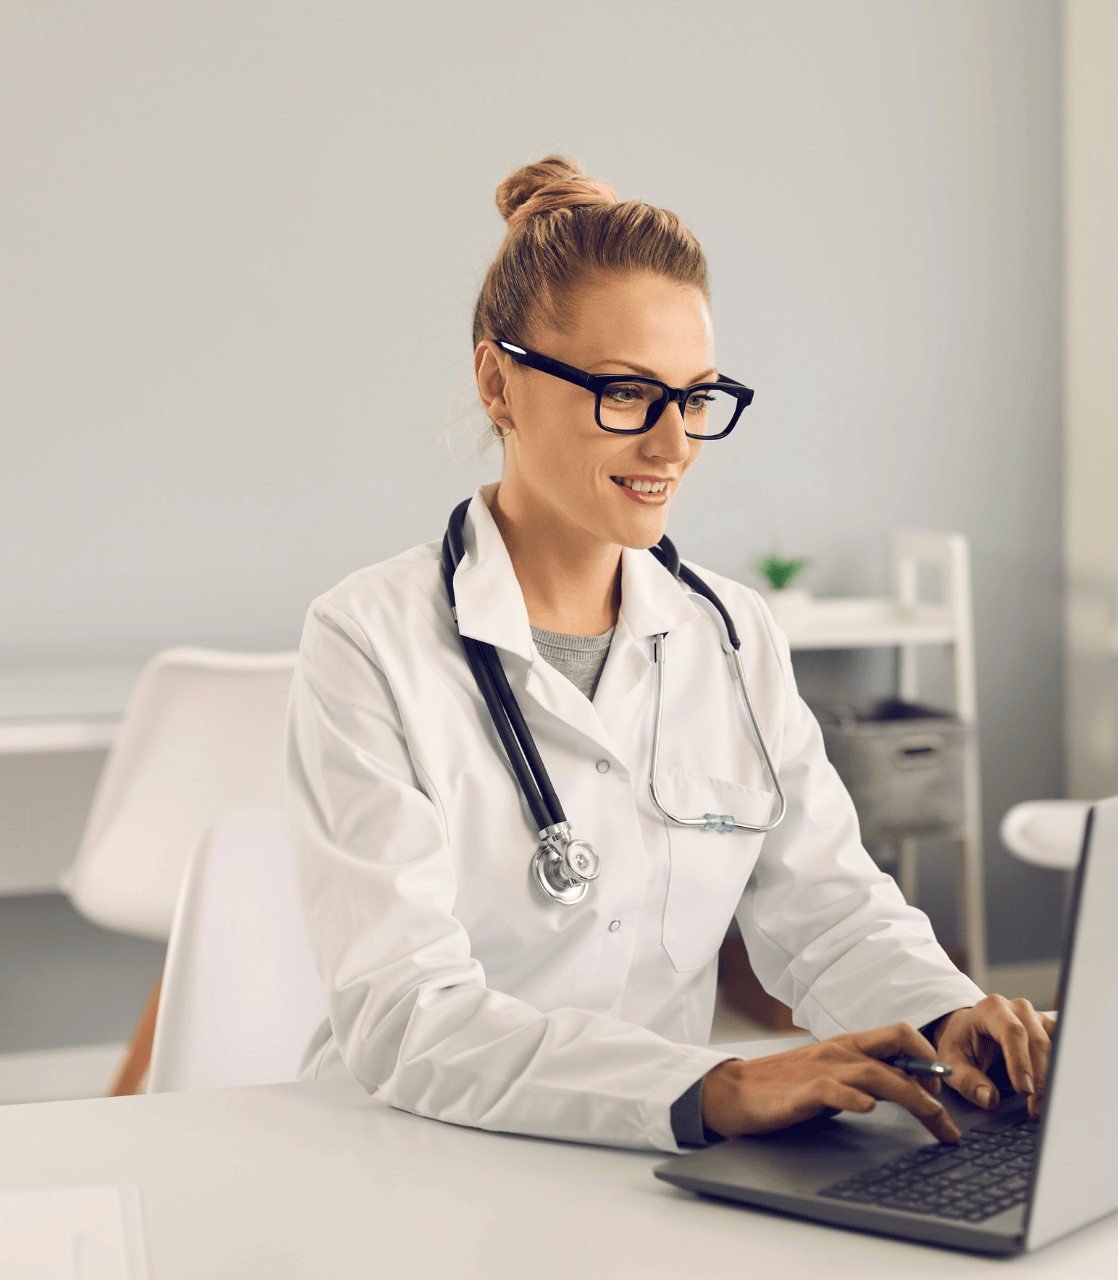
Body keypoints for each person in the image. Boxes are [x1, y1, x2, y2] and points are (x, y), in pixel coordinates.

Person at [286, 156, 1053, 1152]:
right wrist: (713, 1083)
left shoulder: (730, 635)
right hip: (416, 1157)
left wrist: (949, 1018)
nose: (674, 443)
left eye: (695, 397)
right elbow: (408, 1017)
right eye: (624, 393)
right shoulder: (368, 641)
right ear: (498, 383)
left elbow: (827, 906)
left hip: (655, 1165)